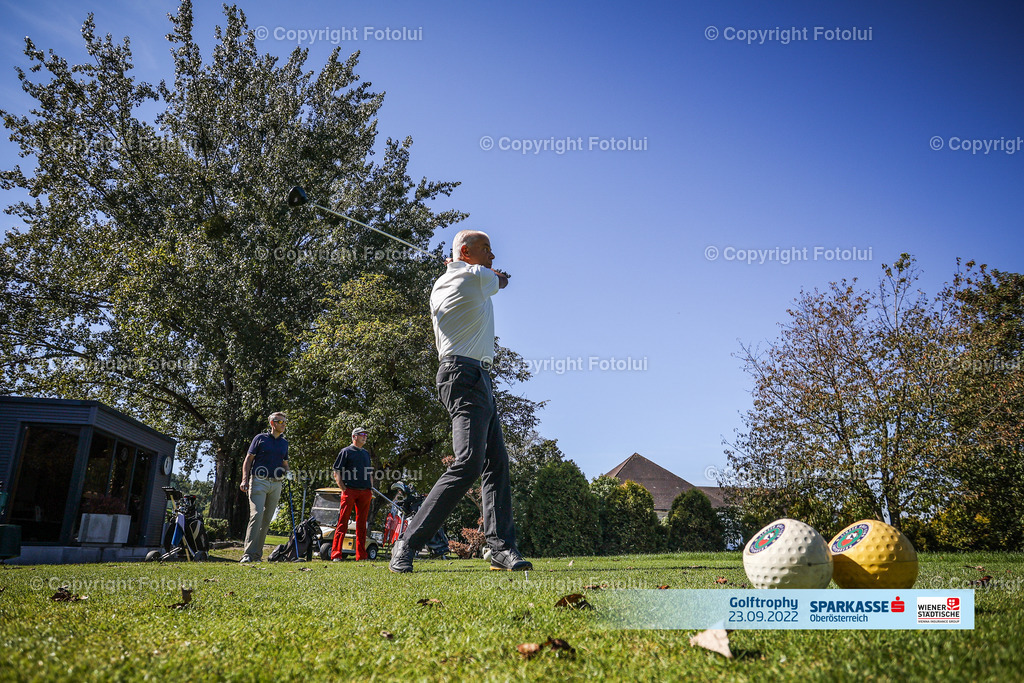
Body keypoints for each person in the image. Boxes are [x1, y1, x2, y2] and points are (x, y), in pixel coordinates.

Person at [390, 230, 532, 573]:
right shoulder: (475, 277)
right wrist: (494, 274)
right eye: (487, 250)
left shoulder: (445, 282)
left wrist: (463, 266)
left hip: (472, 376)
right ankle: (407, 542)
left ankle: (500, 548)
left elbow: (487, 275)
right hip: (464, 374)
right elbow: (503, 281)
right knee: (468, 462)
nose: (493, 257)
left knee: (496, 464)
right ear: (466, 252)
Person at [239, 412, 289, 563]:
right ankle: (247, 554)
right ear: (273, 423)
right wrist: (244, 480)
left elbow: (285, 463)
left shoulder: (284, 443)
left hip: (276, 483)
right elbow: (248, 460)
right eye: (281, 422)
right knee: (257, 515)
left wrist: (289, 474)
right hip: (258, 481)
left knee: (266, 520)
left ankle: (256, 555)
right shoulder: (260, 439)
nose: (284, 425)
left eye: (285, 422)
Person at [331, 427, 374, 561]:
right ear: (354, 436)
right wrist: (343, 488)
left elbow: (369, 472)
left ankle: (361, 556)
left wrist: (371, 488)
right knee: (343, 522)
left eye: (366, 435)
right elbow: (336, 471)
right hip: (350, 490)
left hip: (365, 492)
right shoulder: (345, 452)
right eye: (362, 434)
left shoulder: (366, 453)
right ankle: (336, 554)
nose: (364, 437)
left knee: (362, 525)